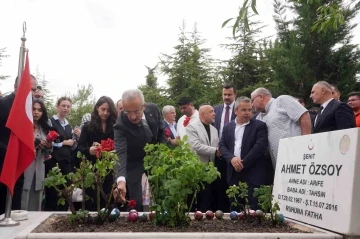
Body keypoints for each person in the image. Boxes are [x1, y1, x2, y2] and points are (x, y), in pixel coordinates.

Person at [113, 89, 166, 211]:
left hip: (155, 159)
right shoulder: (120, 124)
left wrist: (160, 152)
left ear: (144, 106)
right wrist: (121, 181)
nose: (132, 116)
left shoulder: (153, 110)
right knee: (135, 202)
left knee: (162, 195)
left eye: (136, 111)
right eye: (127, 112)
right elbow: (120, 153)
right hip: (134, 162)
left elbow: (161, 131)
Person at [219, 97, 270, 210]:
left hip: (253, 171)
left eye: (249, 110)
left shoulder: (259, 126)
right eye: (244, 110)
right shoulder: (228, 127)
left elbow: (260, 146)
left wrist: (242, 163)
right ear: (236, 111)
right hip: (233, 172)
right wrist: (232, 159)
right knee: (235, 205)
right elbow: (222, 145)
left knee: (255, 206)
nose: (248, 113)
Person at [0, 75, 37, 215]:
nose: (32, 94)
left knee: (15, 204)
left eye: (34, 90)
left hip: (18, 163)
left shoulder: (28, 108)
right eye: (30, 89)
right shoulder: (3, 104)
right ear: (17, 87)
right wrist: (8, 151)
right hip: (3, 161)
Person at [251, 87, 311, 169]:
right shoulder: (259, 118)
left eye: (252, 100)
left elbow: (303, 115)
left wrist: (306, 140)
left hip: (297, 154)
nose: (252, 104)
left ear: (261, 97)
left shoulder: (281, 101)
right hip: (279, 164)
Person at [77, 96, 117, 211]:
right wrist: (89, 150)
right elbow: (79, 148)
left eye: (108, 110)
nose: (105, 113)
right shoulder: (88, 126)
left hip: (108, 168)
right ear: (97, 108)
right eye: (103, 109)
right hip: (92, 168)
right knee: (93, 199)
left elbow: (118, 147)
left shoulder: (114, 127)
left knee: (107, 197)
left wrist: (109, 150)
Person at [44, 96, 76, 211]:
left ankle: (63, 214)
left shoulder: (68, 125)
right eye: (63, 106)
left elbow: (71, 142)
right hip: (53, 161)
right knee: (53, 191)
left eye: (68, 106)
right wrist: (63, 143)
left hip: (66, 162)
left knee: (66, 190)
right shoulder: (50, 121)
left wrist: (73, 141)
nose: (66, 108)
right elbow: (47, 142)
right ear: (57, 106)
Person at [186, 104, 220, 211]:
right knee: (195, 197)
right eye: (211, 111)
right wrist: (215, 150)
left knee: (207, 196)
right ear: (203, 114)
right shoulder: (192, 127)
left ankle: (206, 218)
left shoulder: (214, 129)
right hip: (197, 168)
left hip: (210, 170)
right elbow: (196, 146)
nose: (214, 113)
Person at [21, 99, 52, 211]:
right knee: (23, 198)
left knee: (37, 200)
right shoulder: (24, 125)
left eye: (39, 110)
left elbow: (48, 153)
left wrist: (48, 145)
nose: (36, 112)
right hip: (25, 167)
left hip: (39, 167)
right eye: (33, 109)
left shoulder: (45, 128)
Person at [213, 83, 236, 212]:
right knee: (220, 184)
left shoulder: (240, 109)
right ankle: (222, 211)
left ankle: (234, 209)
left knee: (233, 183)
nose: (226, 97)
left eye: (229, 94)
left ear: (234, 95)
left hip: (235, 154)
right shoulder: (216, 110)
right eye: (224, 94)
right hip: (219, 154)